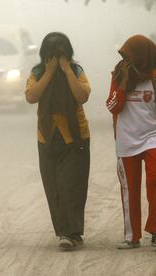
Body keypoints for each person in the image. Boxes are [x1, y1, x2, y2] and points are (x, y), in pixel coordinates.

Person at [105, 35, 156, 250]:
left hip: (152, 137)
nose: (127, 60)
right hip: (126, 140)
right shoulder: (119, 75)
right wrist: (124, 84)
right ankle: (131, 236)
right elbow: (112, 106)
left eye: (130, 56)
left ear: (143, 56)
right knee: (129, 189)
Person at [25, 32, 91, 249]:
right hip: (47, 136)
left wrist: (65, 69)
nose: (57, 57)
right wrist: (50, 71)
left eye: (61, 53)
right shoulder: (37, 72)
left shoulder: (76, 71)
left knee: (71, 185)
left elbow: (82, 96)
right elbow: (31, 97)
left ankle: (70, 232)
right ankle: (65, 231)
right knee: (53, 186)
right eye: (53, 54)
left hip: (75, 136)